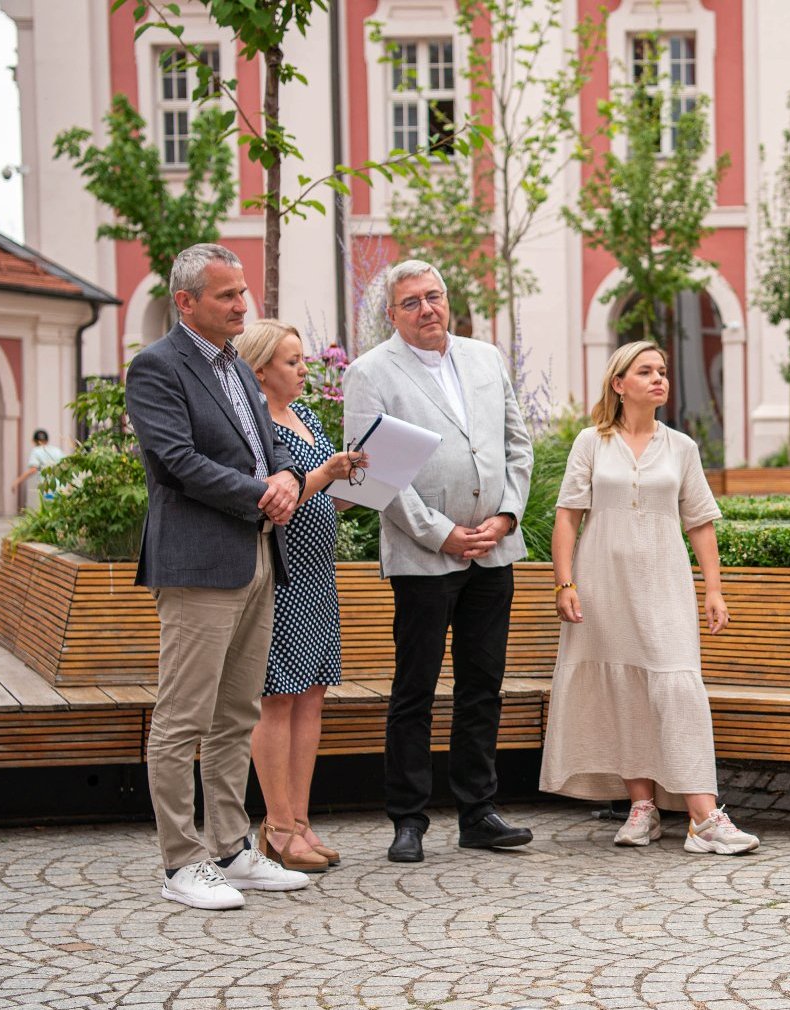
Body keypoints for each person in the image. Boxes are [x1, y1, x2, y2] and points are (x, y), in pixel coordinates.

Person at [126, 243, 311, 909]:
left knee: (237, 713)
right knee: (183, 718)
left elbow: (273, 446)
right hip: (200, 562)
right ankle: (182, 861)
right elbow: (175, 461)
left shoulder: (235, 365)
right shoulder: (156, 368)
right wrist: (264, 492)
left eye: (242, 293)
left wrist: (288, 476)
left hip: (257, 557)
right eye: (227, 295)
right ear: (186, 303)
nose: (243, 305)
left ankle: (231, 849)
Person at [341, 259, 534, 863]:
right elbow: (375, 476)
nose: (427, 309)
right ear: (391, 315)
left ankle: (478, 811)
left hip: (494, 550)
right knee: (414, 688)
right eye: (411, 302)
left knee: (484, 686)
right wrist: (441, 533)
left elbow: (516, 443)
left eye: (434, 297)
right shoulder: (371, 373)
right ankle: (408, 818)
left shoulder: (485, 359)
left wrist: (506, 515)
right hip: (424, 556)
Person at [540, 340, 759, 856]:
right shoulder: (591, 443)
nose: (659, 378)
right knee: (624, 687)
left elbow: (700, 522)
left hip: (664, 581)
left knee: (677, 685)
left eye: (662, 371)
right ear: (620, 384)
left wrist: (714, 590)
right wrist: (565, 583)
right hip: (602, 584)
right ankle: (642, 808)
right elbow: (568, 517)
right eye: (646, 371)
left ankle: (705, 818)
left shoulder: (681, 447)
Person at [234, 319, 363, 873]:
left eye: (303, 359)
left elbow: (323, 497)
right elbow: (269, 496)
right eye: (292, 361)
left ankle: (303, 822)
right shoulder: (253, 421)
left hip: (317, 570)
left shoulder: (307, 417)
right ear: (260, 369)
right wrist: (325, 474)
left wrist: (357, 488)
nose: (304, 369)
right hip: (278, 570)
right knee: (278, 698)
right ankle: (277, 824)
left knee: (312, 694)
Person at [11, 428, 65, 508]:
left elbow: (33, 469)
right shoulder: (57, 450)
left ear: (34, 441)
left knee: (48, 510)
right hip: (61, 485)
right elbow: (66, 465)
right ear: (47, 440)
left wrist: (17, 481)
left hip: (47, 487)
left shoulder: (36, 451)